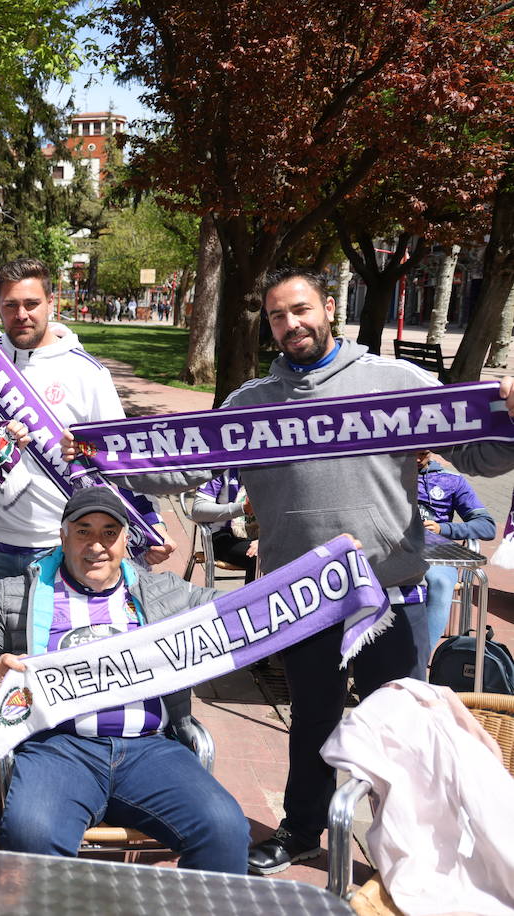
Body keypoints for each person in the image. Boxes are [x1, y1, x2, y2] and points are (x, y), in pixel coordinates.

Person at [73, 267, 514, 875]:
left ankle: (411, 853)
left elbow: (477, 449)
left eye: (301, 310)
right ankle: (304, 829)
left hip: (394, 592)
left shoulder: (393, 382)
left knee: (403, 729)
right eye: (278, 316)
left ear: (329, 307)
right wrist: (102, 456)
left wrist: (511, 418)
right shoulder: (249, 407)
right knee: (312, 719)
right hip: (301, 598)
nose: (291, 324)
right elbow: (181, 466)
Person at [0, 488, 249, 874]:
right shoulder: (18, 594)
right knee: (30, 833)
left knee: (224, 829)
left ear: (126, 539)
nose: (97, 545)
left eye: (109, 532)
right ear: (63, 536)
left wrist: (323, 573)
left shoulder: (164, 593)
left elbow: (242, 611)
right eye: (83, 531)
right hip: (58, 748)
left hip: (149, 750)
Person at [0, 257, 174, 599]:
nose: (21, 315)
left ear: (50, 303)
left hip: (56, 545)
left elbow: (120, 455)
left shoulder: (86, 373)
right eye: (10, 305)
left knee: (52, 644)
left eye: (31, 304)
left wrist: (151, 518)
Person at [415, 450, 496, 650]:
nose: (416, 459)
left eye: (422, 453)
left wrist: (444, 529)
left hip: (435, 551)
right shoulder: (383, 475)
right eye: (409, 452)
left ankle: (418, 660)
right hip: (390, 548)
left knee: (441, 582)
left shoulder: (451, 480)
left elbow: (487, 526)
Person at [189, 470, 257, 581]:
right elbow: (197, 511)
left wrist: (264, 540)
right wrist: (242, 509)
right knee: (260, 556)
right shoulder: (220, 469)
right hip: (221, 536)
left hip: (261, 535)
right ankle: (251, 598)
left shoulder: (274, 468)